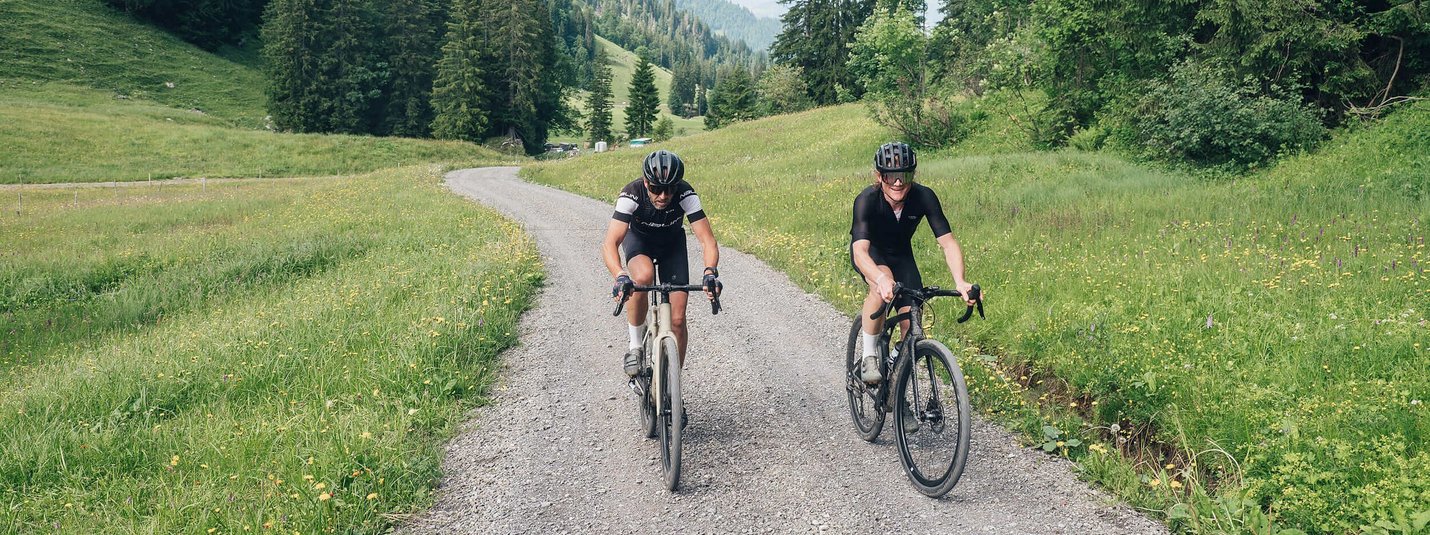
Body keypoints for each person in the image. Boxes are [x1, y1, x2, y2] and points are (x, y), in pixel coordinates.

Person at [850, 142, 978, 389]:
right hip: (872, 255)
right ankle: (868, 357)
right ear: (879, 176)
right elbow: (859, 252)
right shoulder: (867, 200)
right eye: (891, 176)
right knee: (881, 287)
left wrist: (960, 281)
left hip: (902, 255)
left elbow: (948, 243)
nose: (898, 183)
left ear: (913, 175)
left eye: (905, 175)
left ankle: (895, 385)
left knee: (912, 324)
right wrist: (880, 278)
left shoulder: (924, 196)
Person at [604, 150, 721, 381]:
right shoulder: (632, 194)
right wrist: (619, 275)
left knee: (678, 320)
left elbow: (707, 240)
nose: (663, 195)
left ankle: (673, 385)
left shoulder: (686, 193)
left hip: (672, 246)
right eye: (656, 188)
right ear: (646, 182)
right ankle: (636, 346)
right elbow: (610, 243)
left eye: (670, 188)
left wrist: (710, 272)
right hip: (640, 243)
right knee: (643, 277)